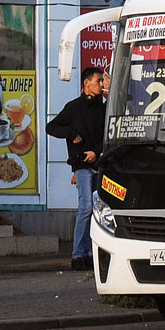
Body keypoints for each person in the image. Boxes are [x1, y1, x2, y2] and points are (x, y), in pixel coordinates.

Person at [48, 66, 106, 270]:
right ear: (86, 83)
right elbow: (51, 127)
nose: (101, 84)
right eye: (98, 81)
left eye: (102, 81)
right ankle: (78, 254)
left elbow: (108, 135)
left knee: (98, 209)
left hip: (99, 163)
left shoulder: (104, 108)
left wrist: (96, 152)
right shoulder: (73, 107)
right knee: (85, 207)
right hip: (81, 165)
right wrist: (71, 133)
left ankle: (91, 252)